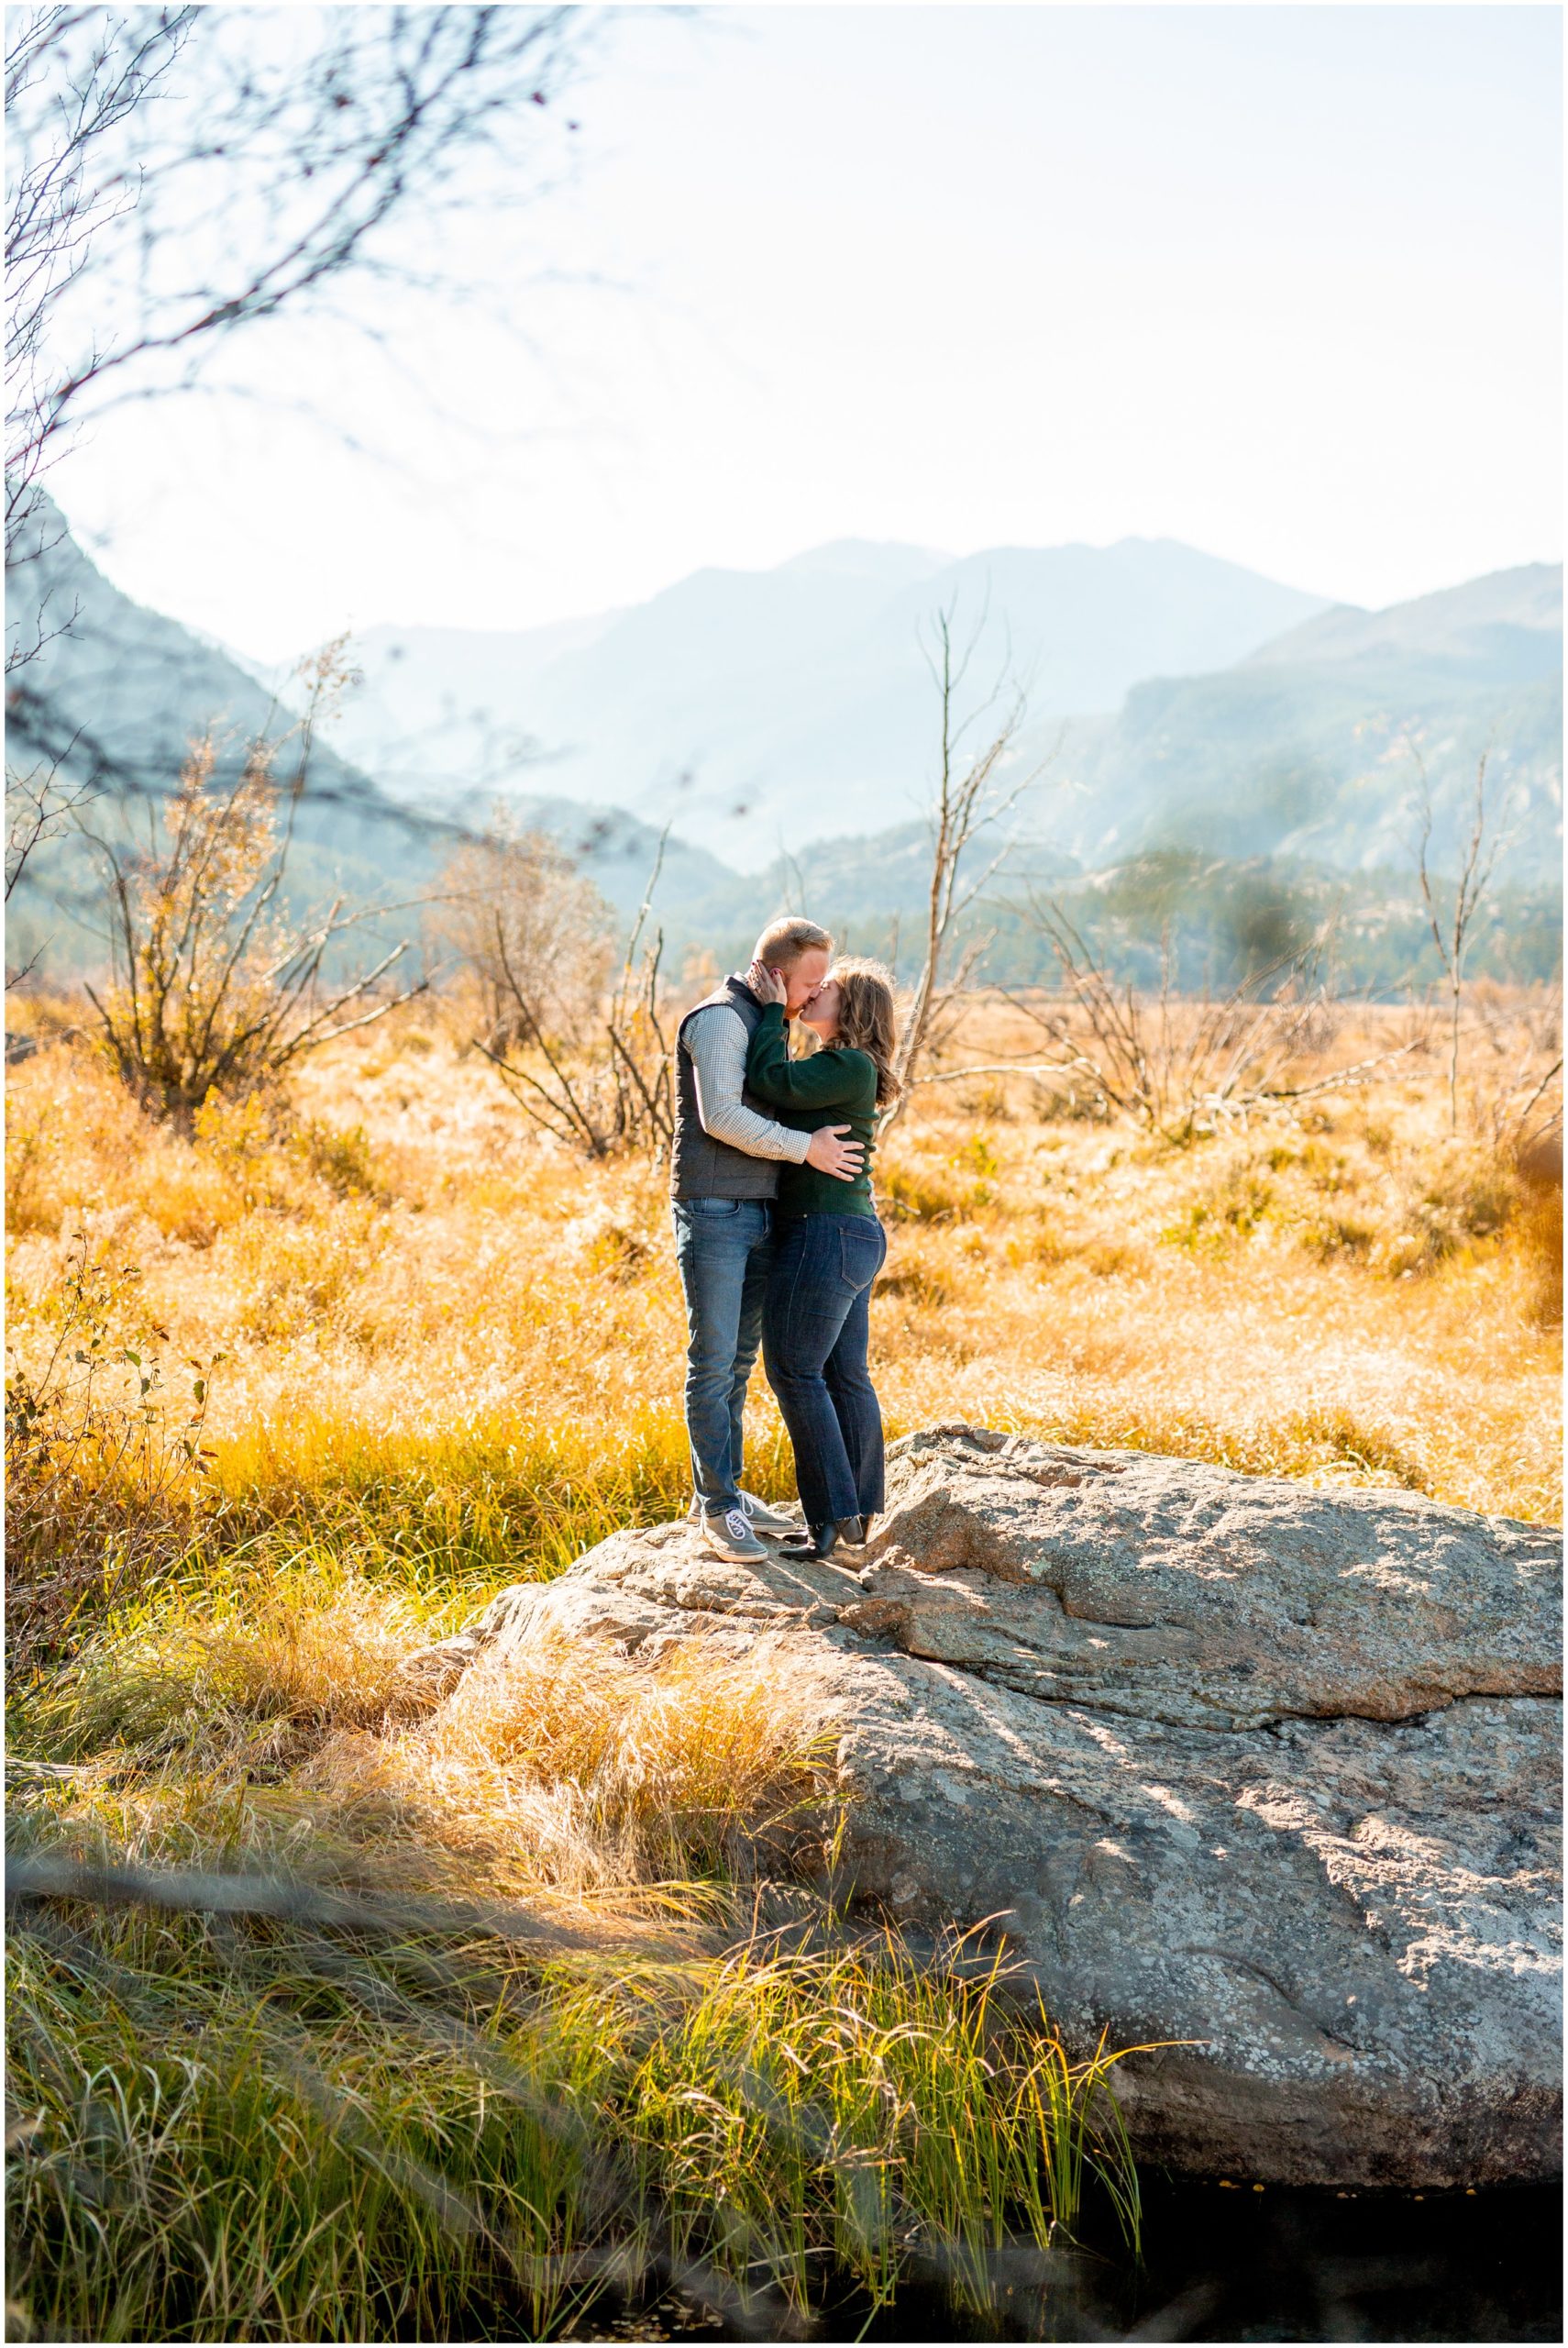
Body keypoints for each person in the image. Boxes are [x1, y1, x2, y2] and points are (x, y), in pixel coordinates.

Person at [670, 917, 866, 1563]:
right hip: (717, 1208)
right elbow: (720, 1115)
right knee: (713, 1360)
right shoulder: (721, 1020)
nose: (814, 995)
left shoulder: (769, 1023)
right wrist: (804, 1148)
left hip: (763, 1213)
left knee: (740, 1364)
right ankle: (718, 1506)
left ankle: (724, 1490)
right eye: (809, 982)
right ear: (777, 973)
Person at [743, 954, 898, 1563]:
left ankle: (829, 1519)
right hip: (851, 1234)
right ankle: (857, 1520)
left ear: (852, 1006)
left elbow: (769, 1082)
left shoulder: (846, 1064)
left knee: (795, 1372)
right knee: (842, 1375)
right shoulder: (850, 1067)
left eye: (824, 988)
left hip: (825, 1234)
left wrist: (769, 1012)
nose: (812, 993)